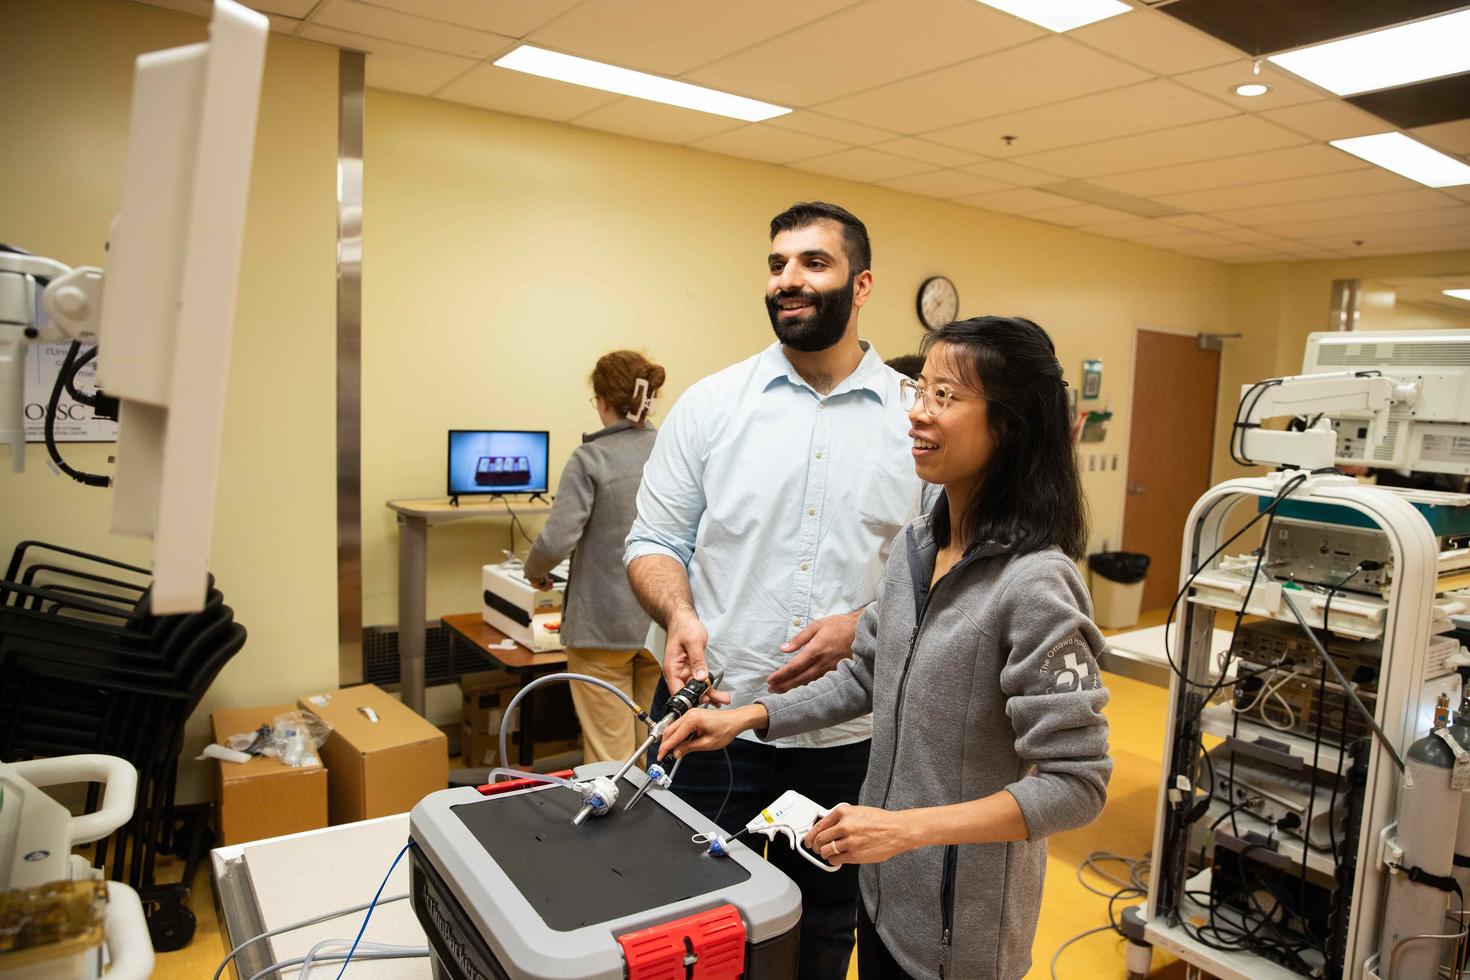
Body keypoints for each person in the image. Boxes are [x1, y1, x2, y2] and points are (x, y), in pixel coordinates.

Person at [658, 316, 1113, 980]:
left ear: (1010, 425)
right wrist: (747, 717)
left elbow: (1077, 785)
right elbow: (869, 675)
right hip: (883, 892)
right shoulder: (914, 550)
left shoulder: (1037, 585)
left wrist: (907, 830)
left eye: (944, 397)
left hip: (960, 933)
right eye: (917, 391)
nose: (917, 416)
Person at [624, 202, 921, 979]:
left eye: (812, 264)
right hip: (708, 717)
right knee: (684, 922)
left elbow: (939, 585)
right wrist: (678, 611)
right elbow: (653, 542)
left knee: (821, 926)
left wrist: (862, 624)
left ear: (860, 286)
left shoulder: (913, 422)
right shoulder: (713, 406)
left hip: (844, 743)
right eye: (777, 263)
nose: (788, 280)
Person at [523, 351, 665, 764]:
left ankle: (613, 827)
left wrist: (535, 573)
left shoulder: (592, 458)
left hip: (602, 630)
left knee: (610, 756)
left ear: (603, 401)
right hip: (660, 624)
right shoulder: (671, 449)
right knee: (653, 745)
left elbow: (556, 540)